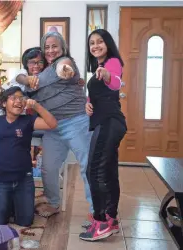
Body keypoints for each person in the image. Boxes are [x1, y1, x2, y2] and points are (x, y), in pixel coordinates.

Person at [28, 32, 93, 223]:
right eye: (46, 47)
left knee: (87, 166)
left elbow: (66, 68)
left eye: (54, 46)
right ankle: (54, 203)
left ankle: (98, 212)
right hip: (52, 127)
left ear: (62, 47)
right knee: (48, 168)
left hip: (77, 122)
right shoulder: (41, 71)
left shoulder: (63, 62)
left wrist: (66, 70)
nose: (50, 50)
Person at [0, 86, 58, 226]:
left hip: (23, 180)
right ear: (4, 103)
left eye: (21, 98)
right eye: (14, 98)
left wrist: (36, 105)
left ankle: (9, 204)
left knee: (25, 222)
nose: (19, 101)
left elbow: (52, 124)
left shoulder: (28, 120)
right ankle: (0, 204)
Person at [79, 29, 126, 241]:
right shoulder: (98, 67)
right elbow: (98, 95)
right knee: (107, 171)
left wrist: (107, 76)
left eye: (99, 42)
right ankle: (110, 219)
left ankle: (100, 223)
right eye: (92, 43)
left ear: (107, 44)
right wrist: (88, 105)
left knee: (93, 171)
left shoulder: (112, 62)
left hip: (108, 122)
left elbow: (115, 81)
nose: (95, 46)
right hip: (109, 121)